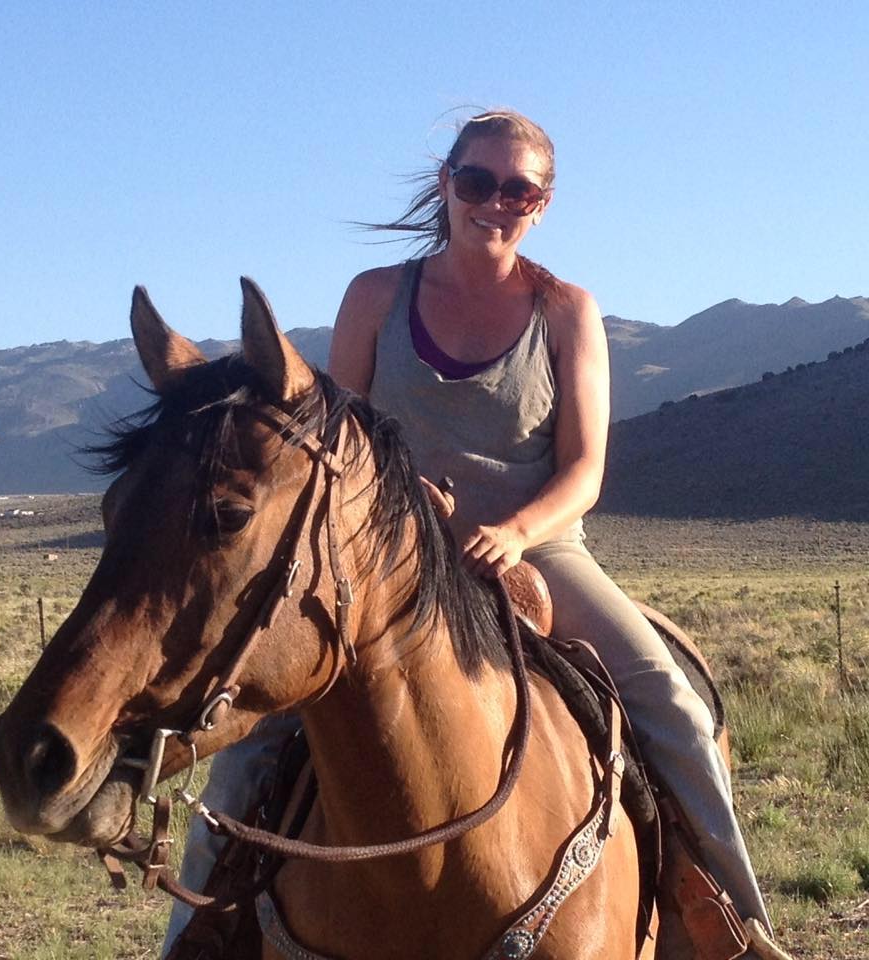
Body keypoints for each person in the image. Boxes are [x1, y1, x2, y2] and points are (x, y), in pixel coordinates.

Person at [164, 109, 789, 960]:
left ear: (543, 201)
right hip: (384, 562)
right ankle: (196, 932)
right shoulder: (375, 299)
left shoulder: (567, 312)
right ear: (446, 185)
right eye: (476, 182)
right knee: (259, 738)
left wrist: (516, 531)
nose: (494, 201)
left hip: (537, 548)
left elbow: (585, 470)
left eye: (517, 188)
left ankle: (731, 927)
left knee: (670, 702)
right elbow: (328, 446)